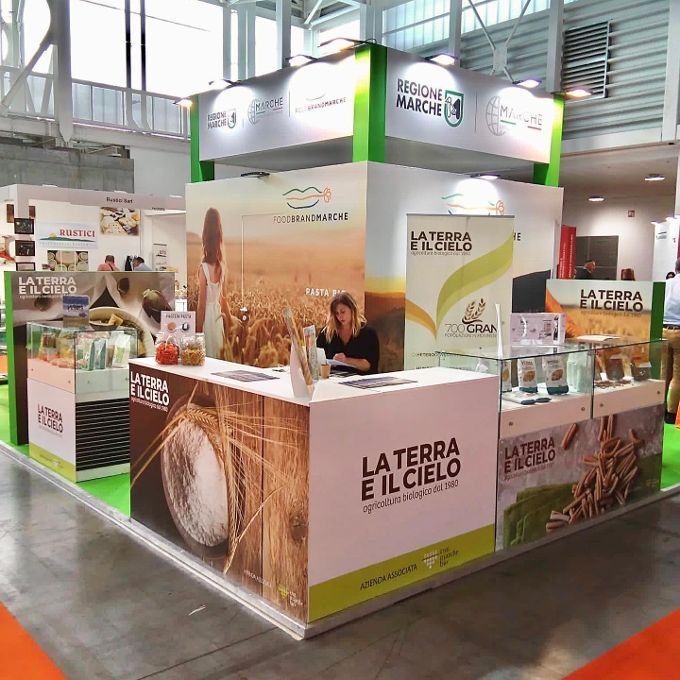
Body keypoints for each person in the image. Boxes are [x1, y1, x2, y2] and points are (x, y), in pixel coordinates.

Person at [196, 207, 233, 359]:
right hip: (218, 318)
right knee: (218, 356)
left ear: (205, 234)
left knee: (207, 358)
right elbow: (223, 300)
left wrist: (197, 333)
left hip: (208, 320)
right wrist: (230, 321)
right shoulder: (222, 266)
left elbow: (201, 306)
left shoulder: (204, 268)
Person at [317, 291, 379, 374]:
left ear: (352, 309)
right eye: (336, 313)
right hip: (333, 380)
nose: (340, 316)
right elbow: (318, 360)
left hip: (360, 380)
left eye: (343, 312)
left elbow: (369, 365)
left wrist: (346, 360)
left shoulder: (368, 333)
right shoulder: (326, 333)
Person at [663, 257, 680, 423]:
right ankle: (671, 413)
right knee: (678, 376)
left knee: (663, 374)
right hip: (679, 332)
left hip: (662, 331)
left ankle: (658, 408)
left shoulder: (666, 284)